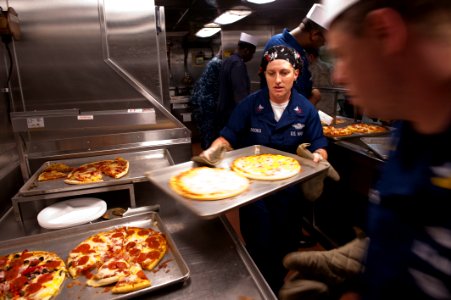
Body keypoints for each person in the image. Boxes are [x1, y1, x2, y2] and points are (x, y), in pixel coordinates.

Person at [281, 0, 451, 299]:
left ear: (385, 33)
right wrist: (366, 259)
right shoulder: (412, 127)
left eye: (343, 55)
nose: (338, 76)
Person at [200, 45, 328, 294]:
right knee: (258, 244)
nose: (278, 80)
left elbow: (320, 144)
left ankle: (274, 286)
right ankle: (259, 288)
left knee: (286, 245)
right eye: (271, 73)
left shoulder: (306, 110)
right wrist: (213, 151)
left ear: (296, 74)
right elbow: (228, 136)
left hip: (290, 195)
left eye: (284, 72)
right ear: (263, 74)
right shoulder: (250, 105)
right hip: (254, 194)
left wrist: (318, 159)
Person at [260, 3, 327, 105]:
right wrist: (314, 98)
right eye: (323, 41)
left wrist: (310, 90)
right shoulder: (280, 49)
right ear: (315, 35)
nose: (322, 45)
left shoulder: (300, 51)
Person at [216, 32, 258, 132]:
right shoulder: (238, 64)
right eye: (252, 53)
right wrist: (245, 114)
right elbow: (240, 93)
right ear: (246, 50)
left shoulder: (228, 60)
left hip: (224, 110)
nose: (251, 56)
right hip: (232, 113)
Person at [189, 52, 222, 150]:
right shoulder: (218, 64)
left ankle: (205, 149)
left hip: (200, 101)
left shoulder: (213, 61)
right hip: (207, 102)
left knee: (204, 130)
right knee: (209, 131)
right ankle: (208, 153)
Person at [305, 47, 336, 116]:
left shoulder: (309, 69)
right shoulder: (329, 66)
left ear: (311, 56)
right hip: (330, 105)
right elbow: (335, 84)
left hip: (318, 105)